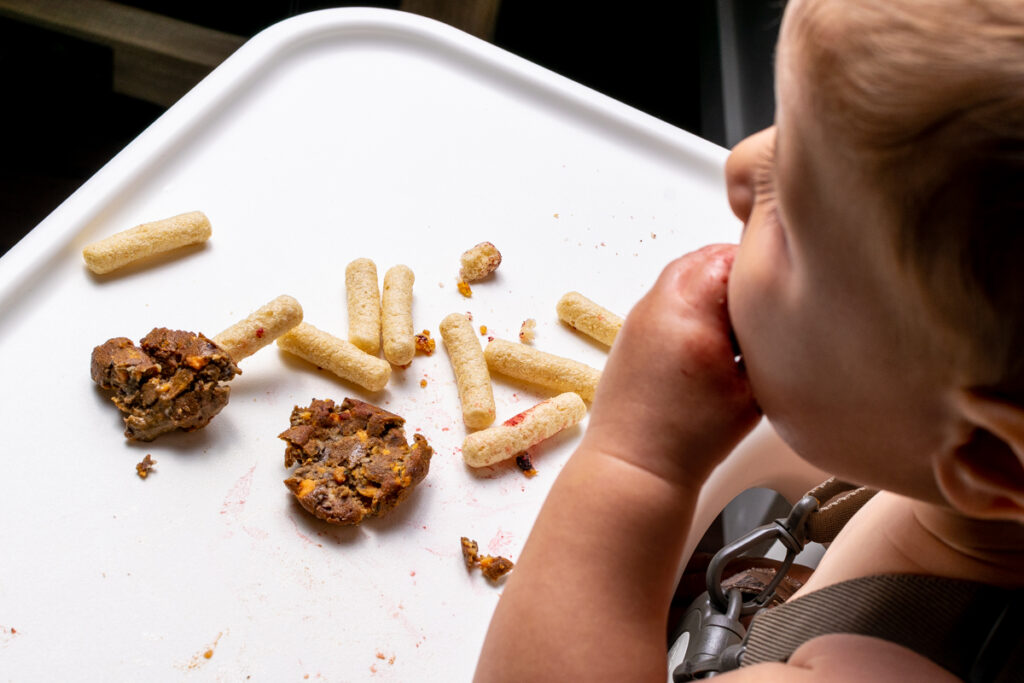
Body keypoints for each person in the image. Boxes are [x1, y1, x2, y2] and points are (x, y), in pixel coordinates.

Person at [473, 0, 1024, 679]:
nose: (739, 169)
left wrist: (635, 462)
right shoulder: (981, 486)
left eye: (789, 217)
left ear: (990, 458)